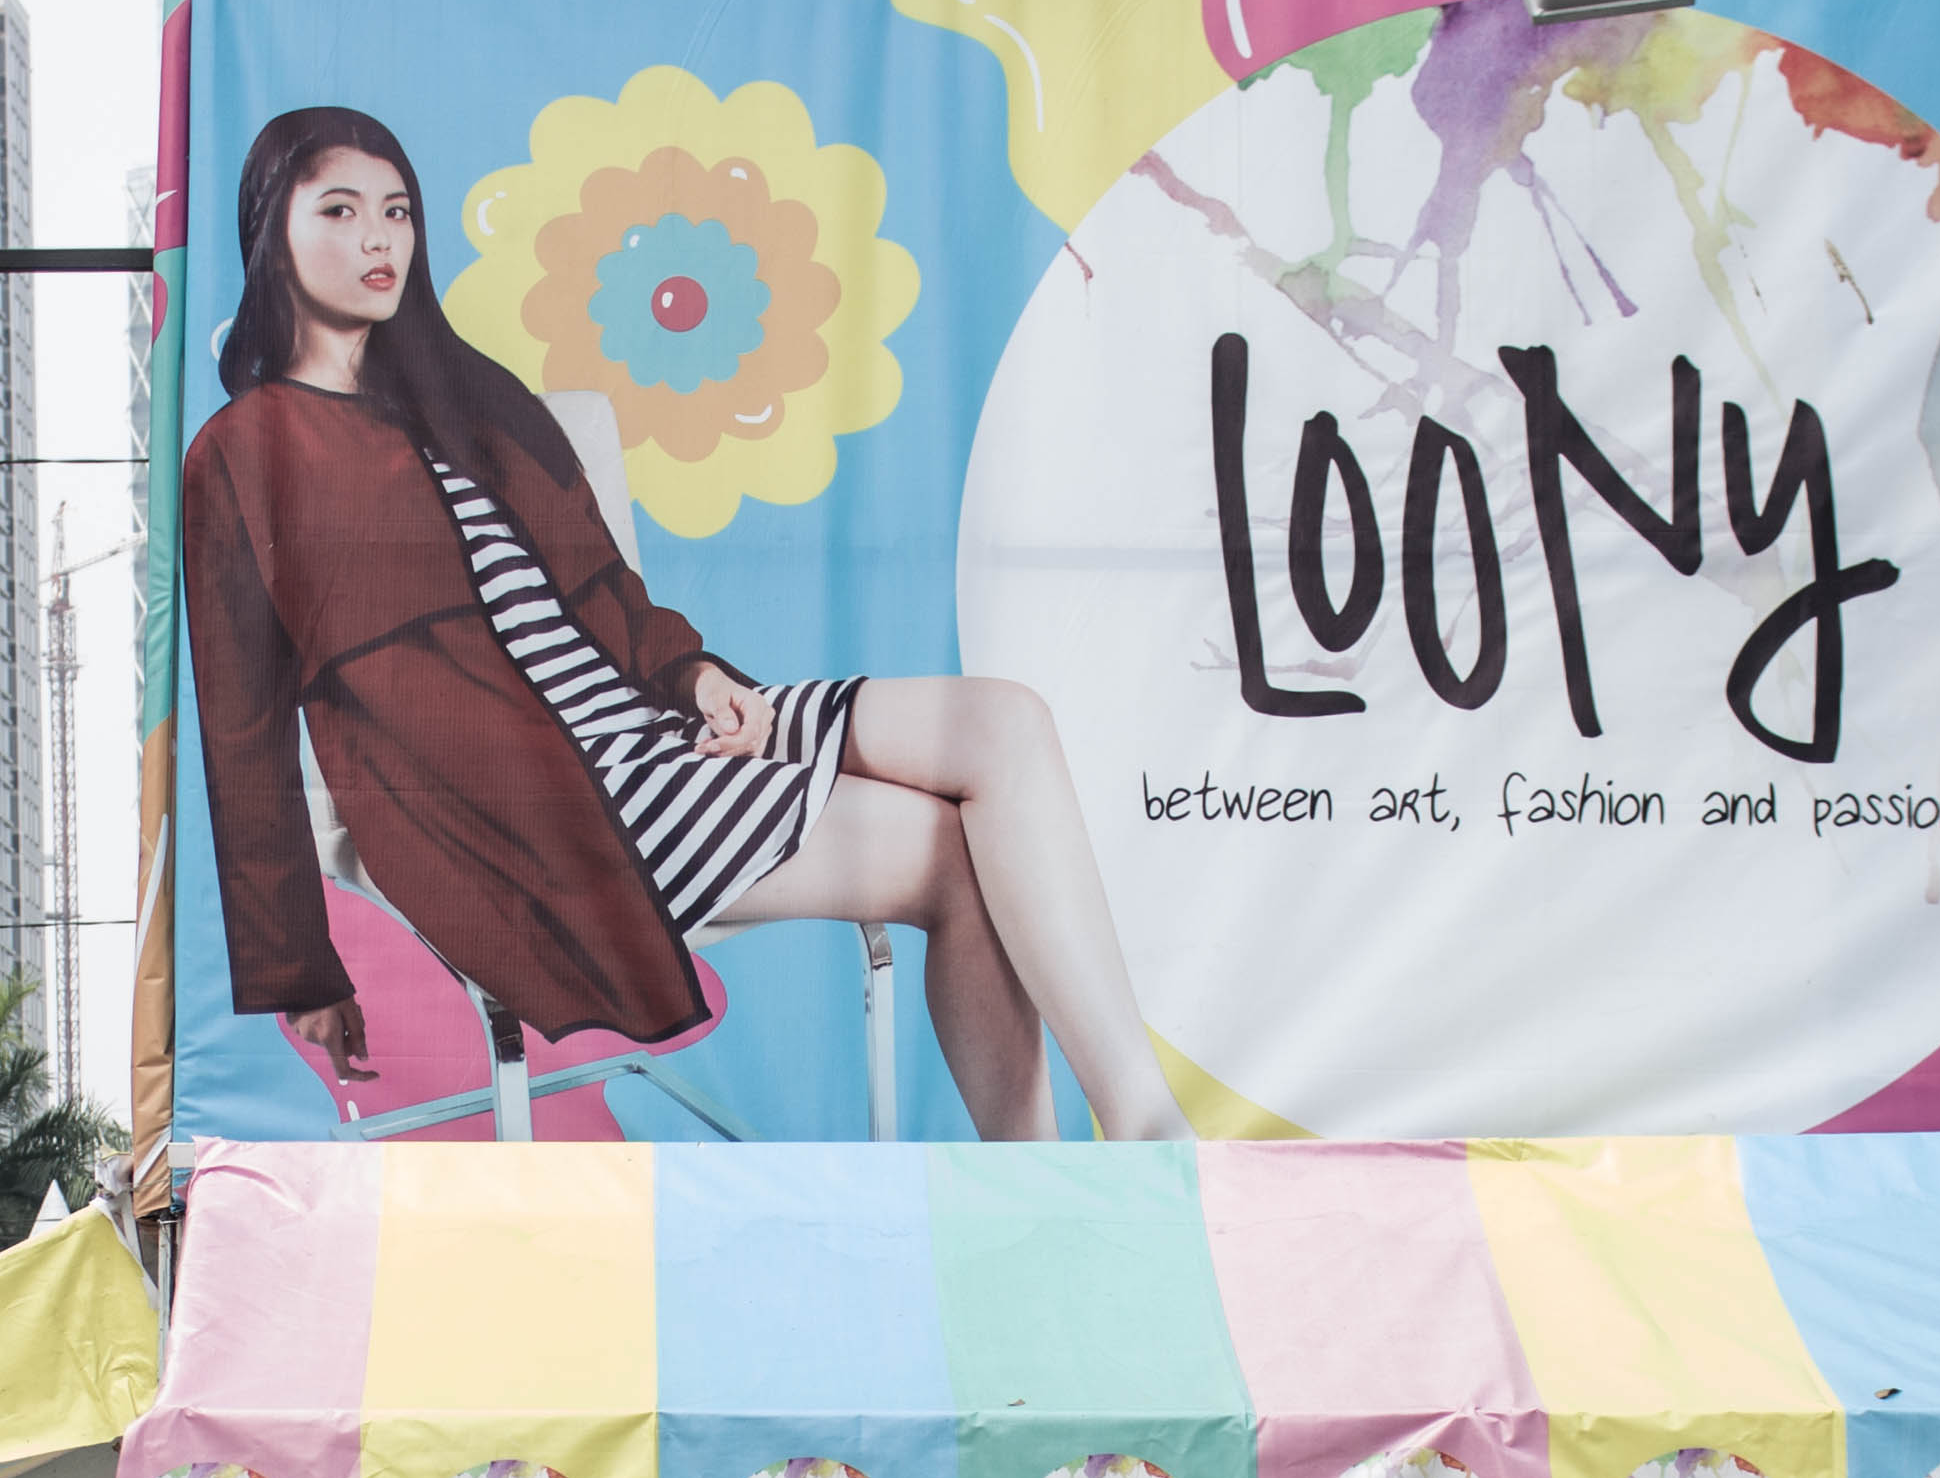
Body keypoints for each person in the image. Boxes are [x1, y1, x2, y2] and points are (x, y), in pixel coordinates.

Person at [184, 105, 1191, 1143]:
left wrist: (700, 679)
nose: (378, 238)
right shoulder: (242, 456)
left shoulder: (469, 401)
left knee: (1007, 720)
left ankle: (1141, 1129)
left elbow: (606, 596)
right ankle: (1046, 1181)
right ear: (272, 232)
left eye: (397, 211)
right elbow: (240, 726)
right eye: (339, 210)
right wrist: (299, 966)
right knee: (953, 856)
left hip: (650, 723)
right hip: (536, 804)